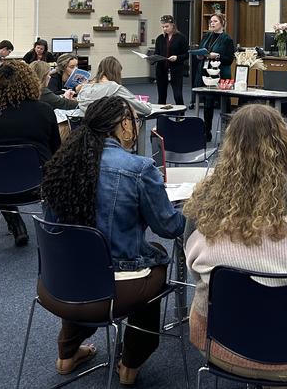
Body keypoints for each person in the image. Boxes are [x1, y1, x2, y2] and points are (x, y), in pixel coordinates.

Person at [184, 104, 287, 384]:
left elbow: (193, 269)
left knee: (207, 290)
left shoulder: (204, 204)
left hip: (225, 348)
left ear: (229, 146)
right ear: (283, 144)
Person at [41, 96, 184, 384]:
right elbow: (170, 228)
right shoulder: (139, 168)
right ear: (124, 125)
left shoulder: (61, 164)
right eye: (135, 121)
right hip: (113, 292)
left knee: (83, 257)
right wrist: (188, 210)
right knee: (156, 255)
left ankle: (67, 354)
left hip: (57, 286)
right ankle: (131, 364)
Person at [0, 60, 61, 246]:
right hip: (37, 185)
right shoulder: (43, 111)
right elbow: (56, 153)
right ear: (30, 82)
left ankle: (16, 224)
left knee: (0, 169)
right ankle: (56, 229)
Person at [194, 14, 235, 138]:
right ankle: (207, 132)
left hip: (221, 73)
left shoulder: (227, 39)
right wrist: (200, 55)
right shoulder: (206, 36)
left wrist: (217, 56)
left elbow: (229, 59)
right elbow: (200, 51)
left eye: (215, 21)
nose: (212, 23)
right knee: (207, 102)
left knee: (224, 102)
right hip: (206, 72)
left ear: (222, 23)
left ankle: (228, 133)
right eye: (211, 21)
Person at [74, 56, 152, 118]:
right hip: (109, 134)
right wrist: (148, 104)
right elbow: (145, 110)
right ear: (116, 73)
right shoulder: (115, 89)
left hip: (85, 134)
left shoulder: (84, 88)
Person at [153, 14, 188, 105]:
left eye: (167, 26)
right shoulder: (160, 38)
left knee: (178, 95)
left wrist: (177, 57)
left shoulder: (181, 38)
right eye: (163, 27)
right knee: (161, 96)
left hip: (176, 70)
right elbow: (156, 53)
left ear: (173, 25)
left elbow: (186, 54)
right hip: (161, 70)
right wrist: (152, 58)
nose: (165, 29)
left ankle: (180, 117)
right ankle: (161, 118)